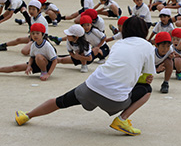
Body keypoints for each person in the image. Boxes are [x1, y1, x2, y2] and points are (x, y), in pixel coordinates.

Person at [15, 16, 156, 136]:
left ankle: (26, 116)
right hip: (116, 100)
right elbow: (148, 76)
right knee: (146, 89)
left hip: (92, 86)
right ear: (145, 31)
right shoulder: (148, 47)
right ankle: (122, 119)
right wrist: (141, 78)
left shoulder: (119, 44)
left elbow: (117, 67)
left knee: (60, 101)